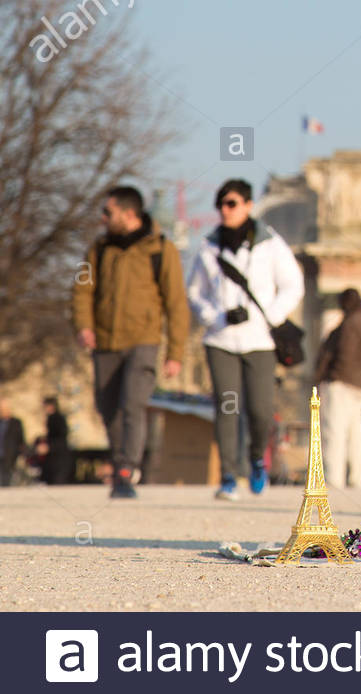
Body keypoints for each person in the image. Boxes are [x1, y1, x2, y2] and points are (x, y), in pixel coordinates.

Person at [188, 179, 304, 500]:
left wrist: (272, 315)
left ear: (249, 206)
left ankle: (255, 459)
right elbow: (195, 293)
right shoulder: (208, 246)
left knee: (261, 409)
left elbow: (293, 284)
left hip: (260, 339)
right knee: (227, 408)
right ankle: (228, 475)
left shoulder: (270, 244)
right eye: (221, 204)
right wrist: (213, 315)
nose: (225, 210)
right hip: (221, 339)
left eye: (232, 203)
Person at [74, 185, 189, 499]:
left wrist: (175, 352)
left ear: (128, 213)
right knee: (107, 406)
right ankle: (120, 460)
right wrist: (84, 326)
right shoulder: (99, 249)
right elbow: (82, 289)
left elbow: (176, 303)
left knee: (133, 404)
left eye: (107, 212)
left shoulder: (161, 250)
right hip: (105, 342)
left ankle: (126, 469)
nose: (102, 218)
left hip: (144, 341)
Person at [315, 288, 361, 488]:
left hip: (341, 383)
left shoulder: (349, 324)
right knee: (356, 434)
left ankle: (334, 478)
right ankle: (358, 478)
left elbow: (344, 354)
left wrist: (330, 375)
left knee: (335, 431)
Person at [42, 397, 74, 485]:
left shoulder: (56, 419)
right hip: (56, 457)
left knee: (58, 484)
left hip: (59, 458)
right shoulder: (52, 418)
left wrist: (49, 446)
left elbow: (61, 437)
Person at [0, 398, 25, 487]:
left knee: (8, 476)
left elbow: (20, 439)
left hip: (10, 454)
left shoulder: (16, 423)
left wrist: (20, 453)